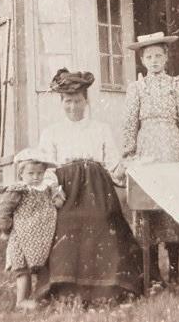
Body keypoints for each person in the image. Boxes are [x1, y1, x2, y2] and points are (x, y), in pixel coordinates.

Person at [37, 69, 143, 302]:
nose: (73, 107)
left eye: (77, 101)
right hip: (66, 192)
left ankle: (108, 289)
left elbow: (113, 164)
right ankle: (66, 288)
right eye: (68, 101)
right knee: (66, 222)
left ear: (86, 101)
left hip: (97, 190)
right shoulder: (51, 132)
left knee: (103, 220)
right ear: (61, 102)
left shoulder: (101, 128)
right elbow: (47, 168)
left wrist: (126, 168)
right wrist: (54, 190)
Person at [122, 31, 179, 287]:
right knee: (149, 207)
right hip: (147, 149)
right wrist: (130, 153)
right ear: (142, 60)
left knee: (171, 207)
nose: (154, 61)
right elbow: (129, 123)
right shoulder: (137, 88)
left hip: (170, 148)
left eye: (158, 56)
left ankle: (174, 272)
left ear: (166, 57)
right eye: (149, 57)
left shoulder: (177, 85)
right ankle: (153, 273)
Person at [0, 148, 66, 310]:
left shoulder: (47, 187)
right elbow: (5, 209)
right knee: (23, 269)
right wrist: (5, 228)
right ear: (21, 174)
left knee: (42, 267)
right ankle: (21, 300)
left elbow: (57, 203)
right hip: (22, 235)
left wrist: (58, 197)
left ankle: (41, 295)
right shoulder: (19, 190)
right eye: (31, 173)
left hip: (42, 236)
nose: (35, 177)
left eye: (39, 173)